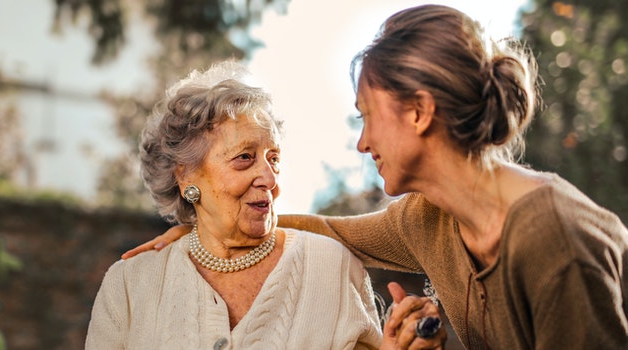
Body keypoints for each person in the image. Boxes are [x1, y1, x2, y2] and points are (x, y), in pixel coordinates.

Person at [122, 4, 628, 349]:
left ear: (419, 113)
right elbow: (326, 230)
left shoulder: (554, 240)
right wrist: (207, 225)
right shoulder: (428, 218)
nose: (362, 142)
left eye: (367, 115)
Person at [86, 61, 444, 349]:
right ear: (186, 177)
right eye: (244, 158)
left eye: (273, 158)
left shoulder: (330, 267)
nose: (269, 179)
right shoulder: (131, 285)